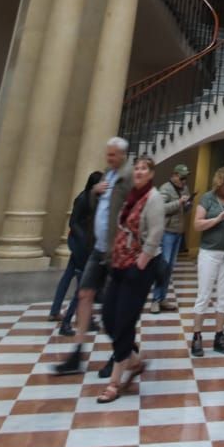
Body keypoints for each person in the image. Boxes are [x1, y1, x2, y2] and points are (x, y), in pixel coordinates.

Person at [54, 136, 133, 375]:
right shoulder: (108, 175)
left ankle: (120, 354)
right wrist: (95, 193)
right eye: (107, 154)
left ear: (122, 155)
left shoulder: (128, 178)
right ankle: (77, 353)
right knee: (85, 293)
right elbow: (98, 206)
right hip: (98, 247)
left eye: (112, 155)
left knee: (114, 306)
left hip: (115, 251)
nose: (108, 158)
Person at [97, 154, 165, 403]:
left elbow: (156, 233)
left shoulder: (154, 198)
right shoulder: (129, 196)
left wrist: (141, 262)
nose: (138, 172)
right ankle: (134, 361)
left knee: (124, 321)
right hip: (119, 264)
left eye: (144, 168)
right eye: (136, 168)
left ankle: (114, 383)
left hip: (138, 268)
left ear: (151, 173)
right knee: (108, 319)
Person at [190, 165, 224, 356]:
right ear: (219, 182)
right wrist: (218, 218)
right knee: (203, 294)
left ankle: (219, 336)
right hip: (209, 253)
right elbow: (197, 224)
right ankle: (196, 336)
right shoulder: (208, 198)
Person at [49, 170, 101, 334]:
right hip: (80, 246)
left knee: (75, 280)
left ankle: (64, 312)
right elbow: (74, 222)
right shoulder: (83, 199)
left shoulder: (95, 199)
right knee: (84, 284)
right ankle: (69, 320)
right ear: (95, 185)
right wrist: (85, 241)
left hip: (85, 245)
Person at [152, 164, 191, 312]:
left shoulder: (184, 189)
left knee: (169, 268)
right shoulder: (165, 188)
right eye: (182, 178)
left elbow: (185, 210)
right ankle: (155, 299)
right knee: (163, 266)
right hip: (167, 231)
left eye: (186, 178)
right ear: (174, 175)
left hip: (178, 232)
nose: (184, 181)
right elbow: (160, 209)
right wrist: (179, 202)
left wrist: (188, 204)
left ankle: (163, 298)